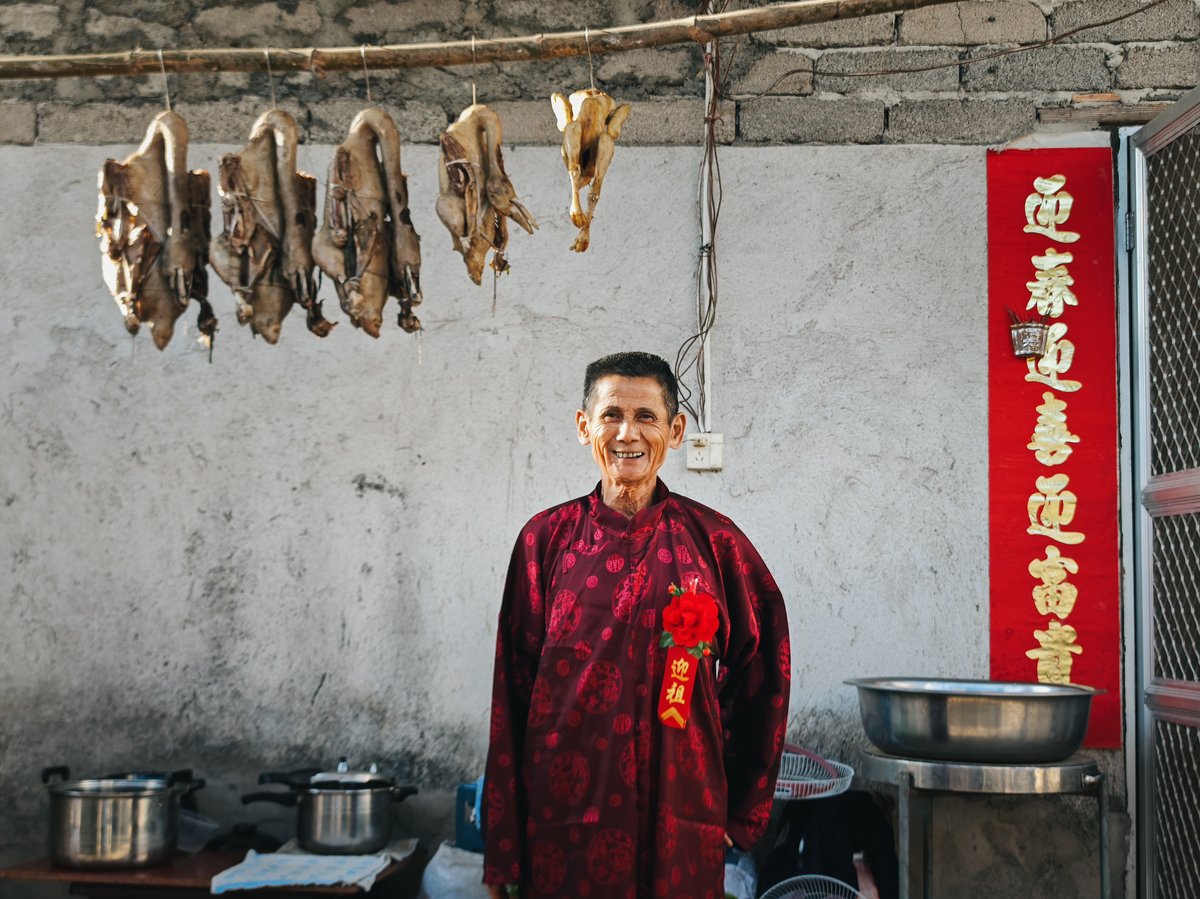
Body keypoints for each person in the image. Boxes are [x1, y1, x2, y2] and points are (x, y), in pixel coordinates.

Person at [483, 351, 790, 899]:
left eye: (646, 416)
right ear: (584, 428)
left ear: (675, 431)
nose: (628, 433)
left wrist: (738, 812)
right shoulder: (545, 543)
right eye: (611, 415)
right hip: (564, 821)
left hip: (681, 822)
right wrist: (504, 851)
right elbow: (512, 693)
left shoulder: (716, 545)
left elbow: (765, 672)